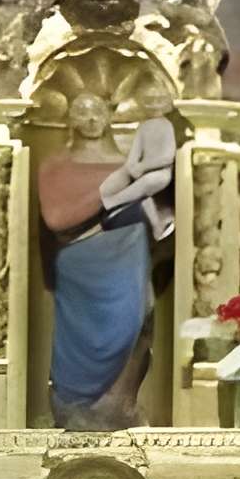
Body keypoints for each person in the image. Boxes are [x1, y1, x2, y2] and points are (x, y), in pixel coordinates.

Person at [37, 89, 175, 428]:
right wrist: (111, 194)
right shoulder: (55, 166)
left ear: (110, 116)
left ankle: (120, 405)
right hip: (80, 264)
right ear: (69, 119)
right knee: (81, 340)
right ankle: (75, 408)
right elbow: (56, 218)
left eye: (97, 111)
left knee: (136, 324)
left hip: (128, 255)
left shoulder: (128, 165)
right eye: (81, 112)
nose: (90, 119)